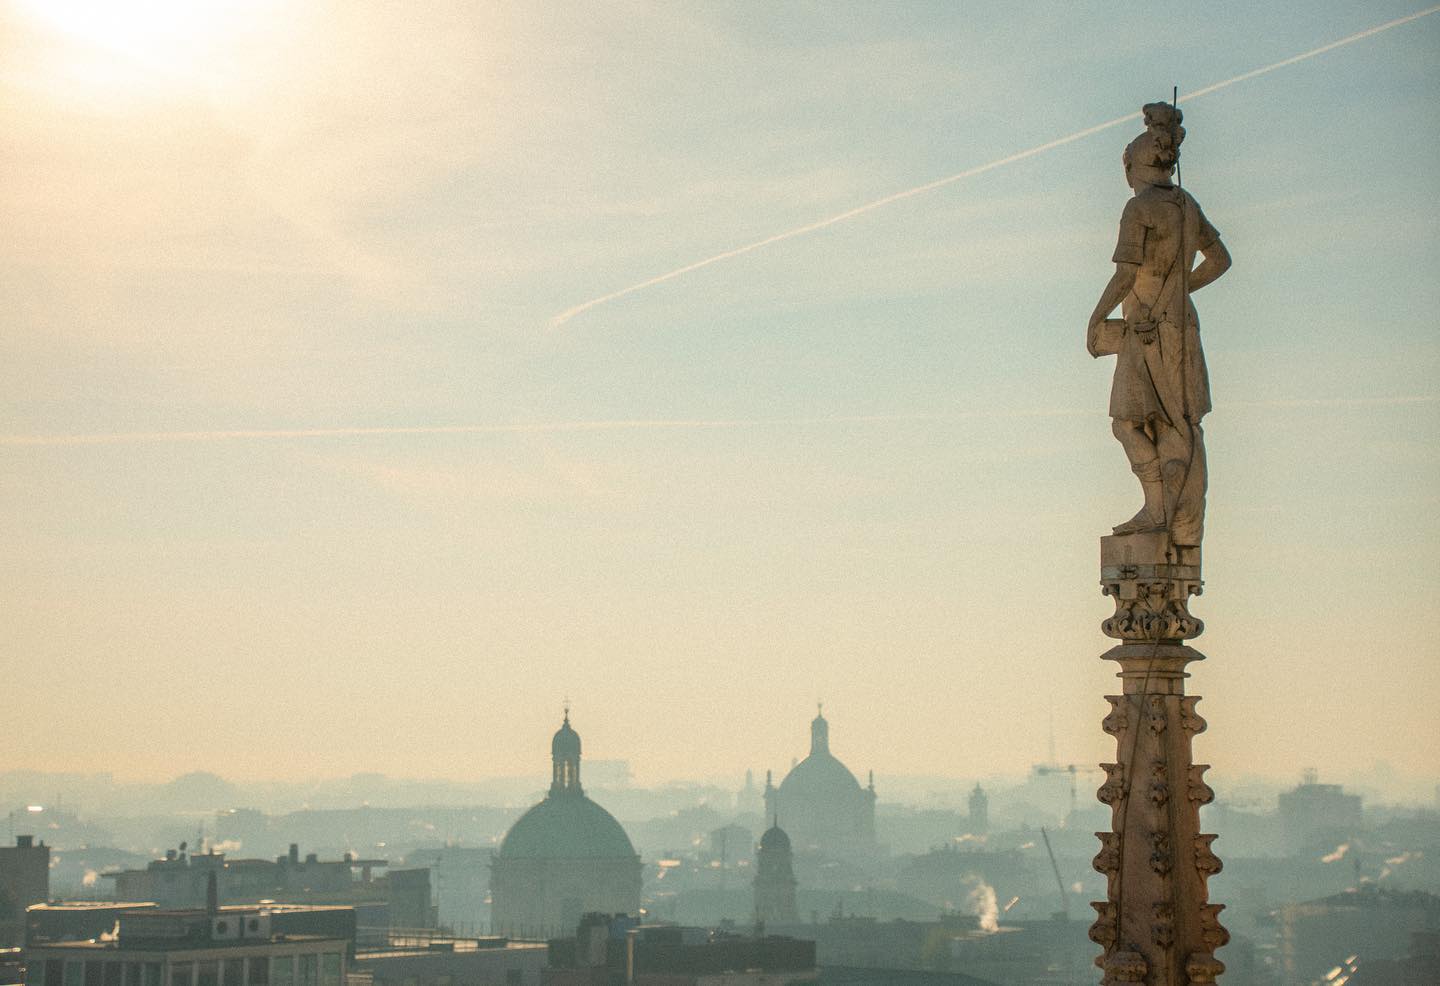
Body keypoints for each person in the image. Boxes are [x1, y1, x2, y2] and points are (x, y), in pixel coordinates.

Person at [1087, 103, 1231, 548]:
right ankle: (1174, 514)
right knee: (1178, 424)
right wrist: (1179, 291)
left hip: (1145, 330)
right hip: (1182, 327)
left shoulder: (1140, 208)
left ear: (1135, 165)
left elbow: (1127, 273)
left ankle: (1157, 506)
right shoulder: (1186, 204)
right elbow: (1220, 260)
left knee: (1128, 421)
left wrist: (1095, 318)